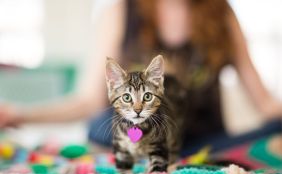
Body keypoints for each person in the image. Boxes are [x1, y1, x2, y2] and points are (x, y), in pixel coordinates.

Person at [0, 0, 281, 152]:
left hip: (206, 146)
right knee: (101, 124)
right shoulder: (120, 10)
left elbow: (266, 105)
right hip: (139, 137)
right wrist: (18, 115)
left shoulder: (222, 12)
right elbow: (88, 100)